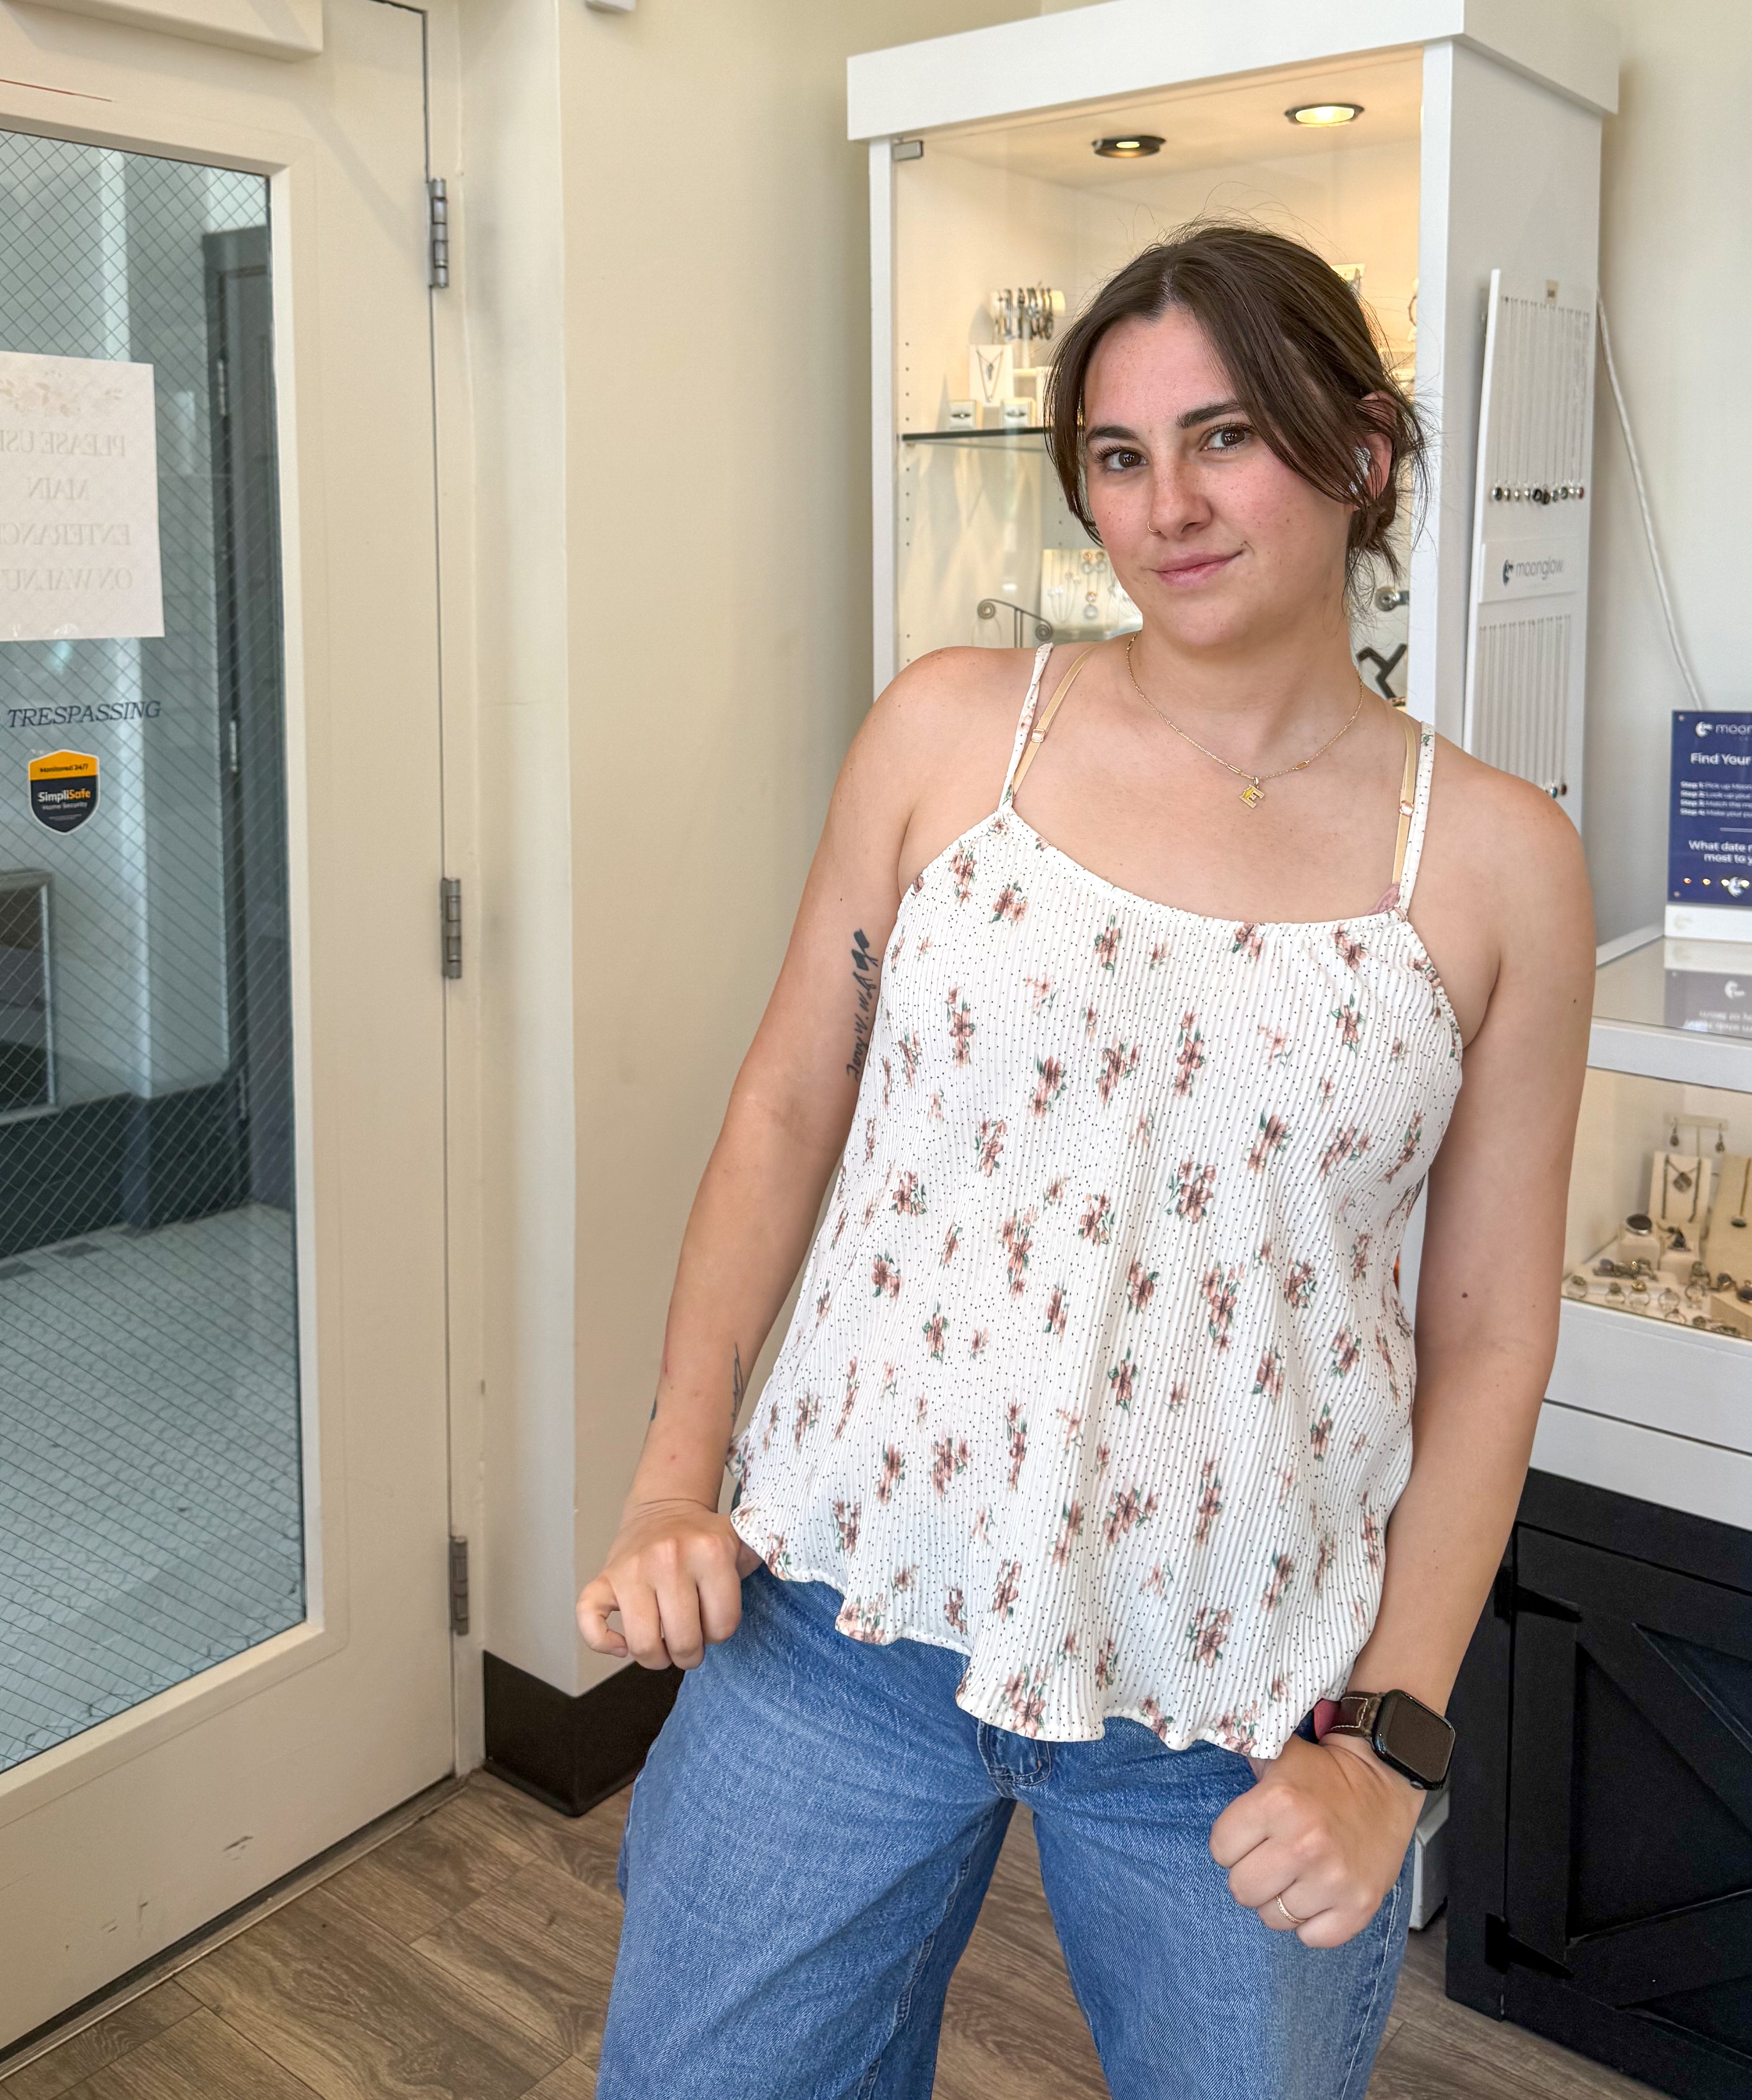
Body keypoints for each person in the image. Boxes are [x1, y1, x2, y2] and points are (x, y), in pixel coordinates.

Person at [579, 221, 1593, 2100]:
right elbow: (789, 1102)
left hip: (1240, 1694)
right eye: (1120, 458)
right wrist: (668, 1474)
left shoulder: (1493, 863)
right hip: (841, 1614)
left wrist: (1388, 1743)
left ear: (1359, 452)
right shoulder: (951, 735)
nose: (1168, 505)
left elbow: (1486, 1330)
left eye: (1226, 437)